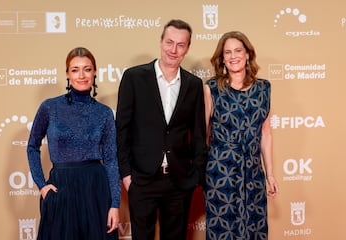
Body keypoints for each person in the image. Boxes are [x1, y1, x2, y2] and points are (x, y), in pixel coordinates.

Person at [116, 19, 208, 240]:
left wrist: (195, 176)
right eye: (169, 42)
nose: (173, 50)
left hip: (178, 182)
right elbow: (122, 129)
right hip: (141, 179)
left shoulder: (194, 84)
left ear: (188, 47)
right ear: (160, 42)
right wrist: (127, 175)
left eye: (180, 44)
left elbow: (198, 135)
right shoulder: (134, 77)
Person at [27, 47, 120, 240]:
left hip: (95, 188)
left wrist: (115, 204)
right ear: (67, 74)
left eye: (87, 69)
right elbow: (32, 146)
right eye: (75, 69)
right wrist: (42, 185)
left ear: (94, 72)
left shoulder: (104, 113)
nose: (82, 75)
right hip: (61, 187)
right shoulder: (50, 107)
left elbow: (111, 160)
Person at [203, 31, 279, 240]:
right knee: (223, 230)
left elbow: (265, 133)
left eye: (238, 50)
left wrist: (270, 174)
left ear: (247, 54)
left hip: (253, 171)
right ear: (222, 58)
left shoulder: (264, 88)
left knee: (254, 228)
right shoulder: (212, 89)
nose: (233, 56)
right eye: (227, 52)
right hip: (221, 171)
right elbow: (204, 134)